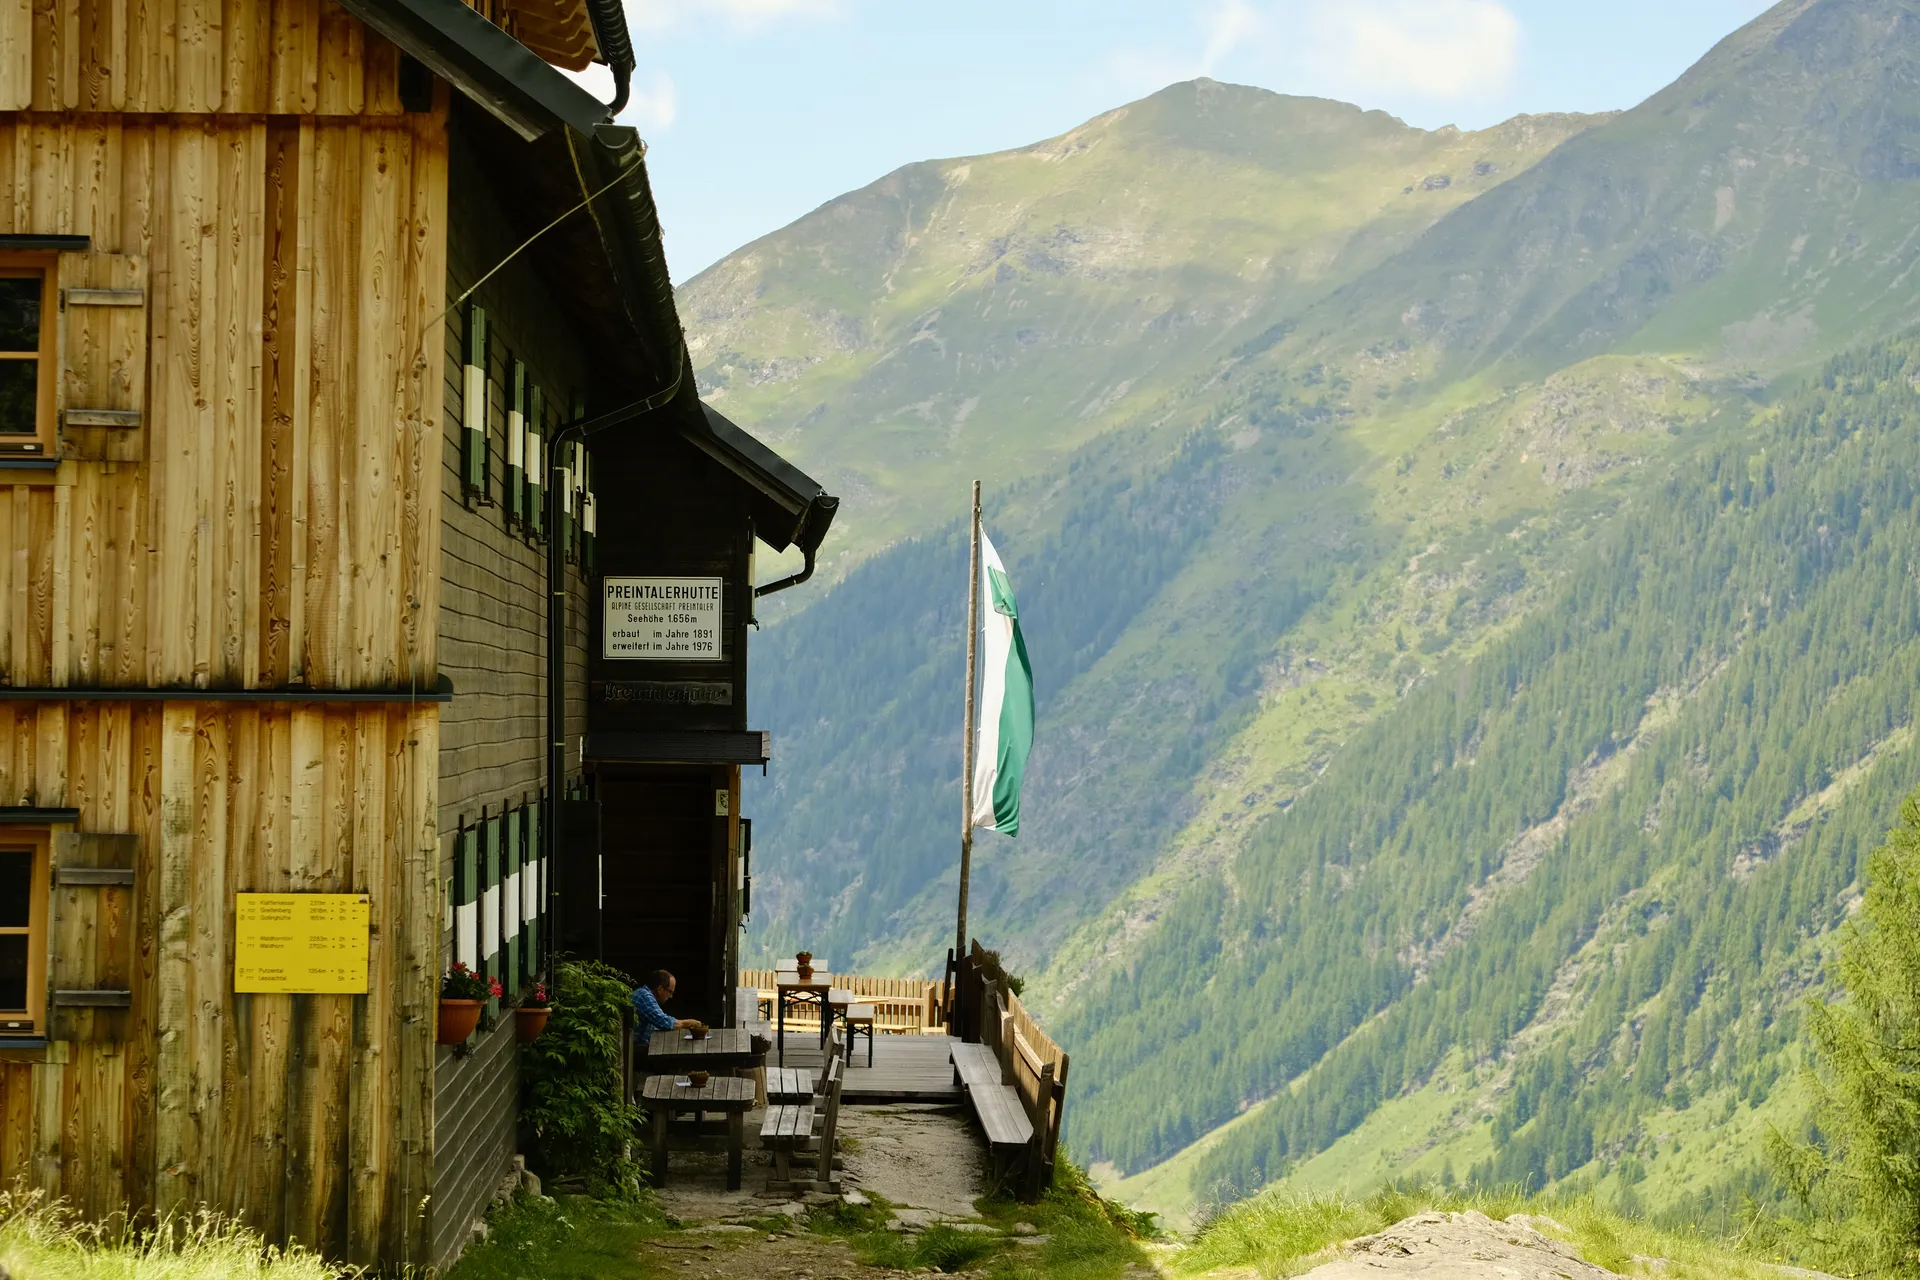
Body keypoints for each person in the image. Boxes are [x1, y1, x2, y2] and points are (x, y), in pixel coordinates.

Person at [632, 968, 697, 1036]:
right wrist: (688, 1023)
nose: (671, 996)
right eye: (670, 992)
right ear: (660, 989)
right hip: (637, 1045)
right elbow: (664, 1022)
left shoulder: (643, 993)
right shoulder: (645, 996)